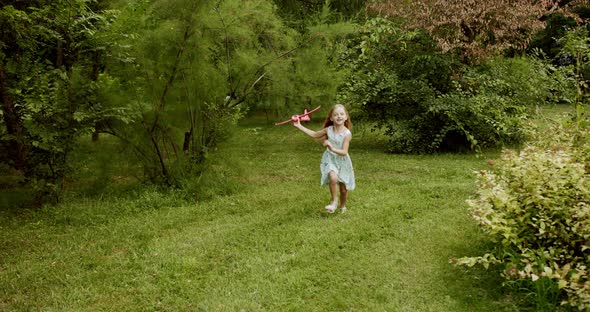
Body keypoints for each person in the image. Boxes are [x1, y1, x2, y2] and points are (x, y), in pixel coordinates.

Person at [293, 104, 355, 213]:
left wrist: (331, 147)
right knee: (333, 177)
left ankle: (343, 206)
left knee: (343, 189)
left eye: (341, 114)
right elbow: (314, 134)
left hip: (342, 160)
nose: (339, 116)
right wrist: (299, 126)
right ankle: (334, 202)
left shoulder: (347, 134)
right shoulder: (328, 130)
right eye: (335, 114)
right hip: (330, 159)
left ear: (346, 117)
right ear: (331, 118)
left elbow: (344, 152)